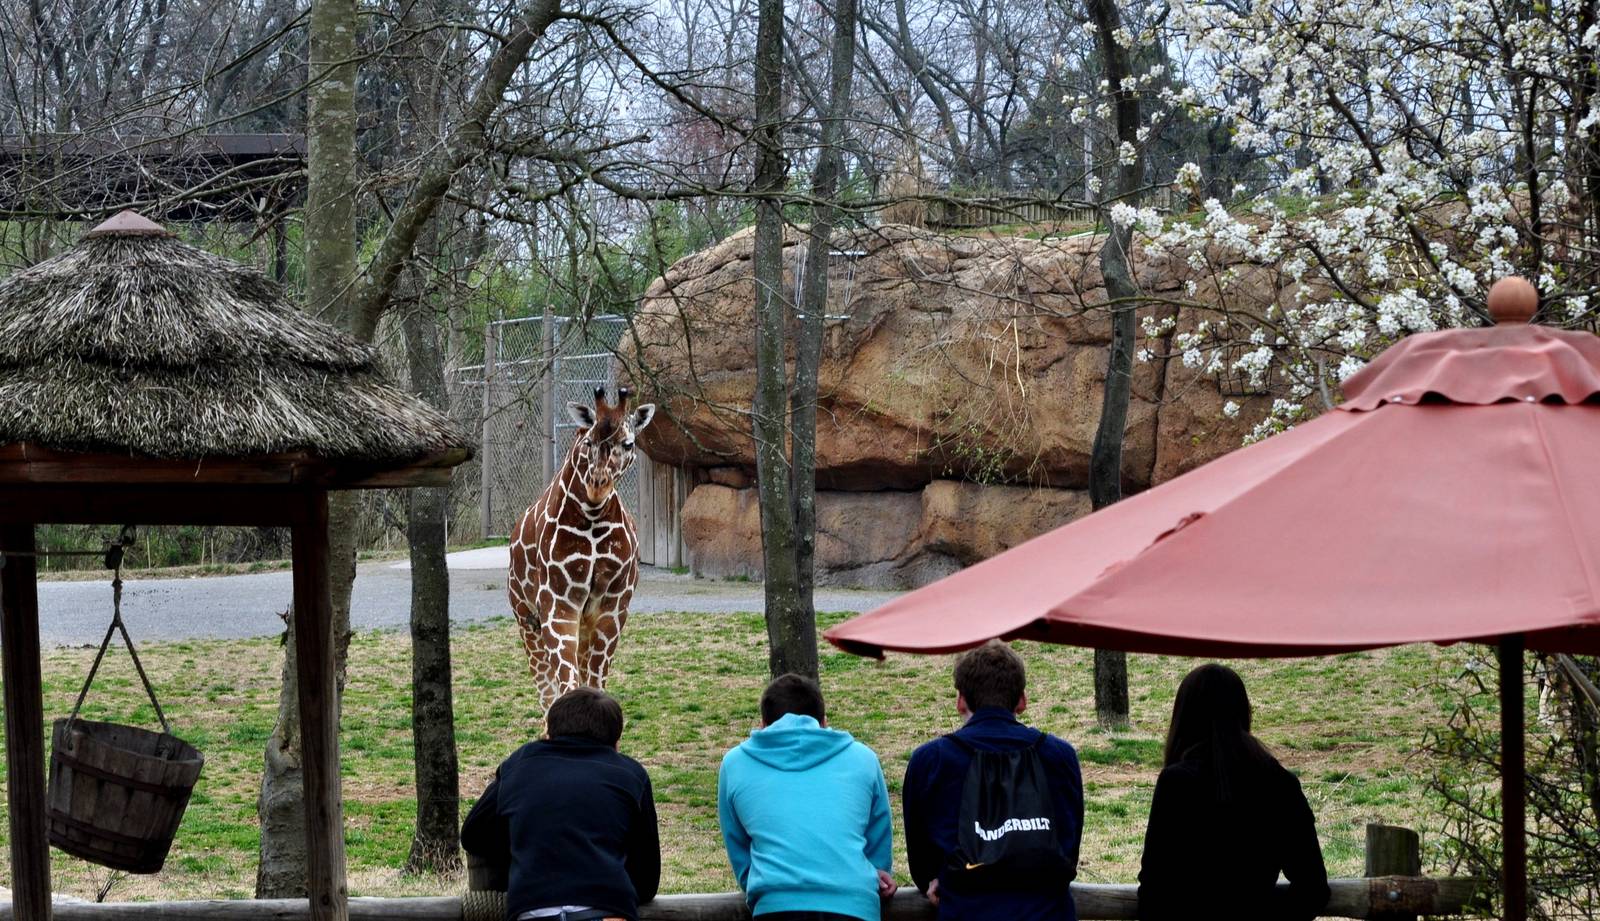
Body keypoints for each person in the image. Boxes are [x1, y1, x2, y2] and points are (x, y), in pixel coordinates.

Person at [902, 640, 1084, 921]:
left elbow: (921, 862)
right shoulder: (1059, 756)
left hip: (965, 911)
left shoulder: (931, 761)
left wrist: (936, 878)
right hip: (1047, 912)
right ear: (1022, 700)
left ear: (960, 700)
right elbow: (1068, 848)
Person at [1137, 663, 1329, 921]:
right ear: (1243, 711)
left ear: (1184, 717)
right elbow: (1313, 889)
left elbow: (1154, 890)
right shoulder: (1280, 783)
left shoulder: (1176, 784)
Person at [462, 687, 660, 921]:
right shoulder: (630, 773)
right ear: (616, 743)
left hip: (533, 911)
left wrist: (525, 848)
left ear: (548, 732)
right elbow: (647, 878)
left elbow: (473, 834)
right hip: (606, 910)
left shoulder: (520, 763)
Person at [717, 673, 897, 921]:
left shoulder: (735, 764)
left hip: (775, 905)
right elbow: (878, 838)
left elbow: (738, 846)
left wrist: (764, 885)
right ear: (824, 723)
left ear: (763, 724)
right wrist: (876, 873)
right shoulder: (863, 758)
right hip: (854, 904)